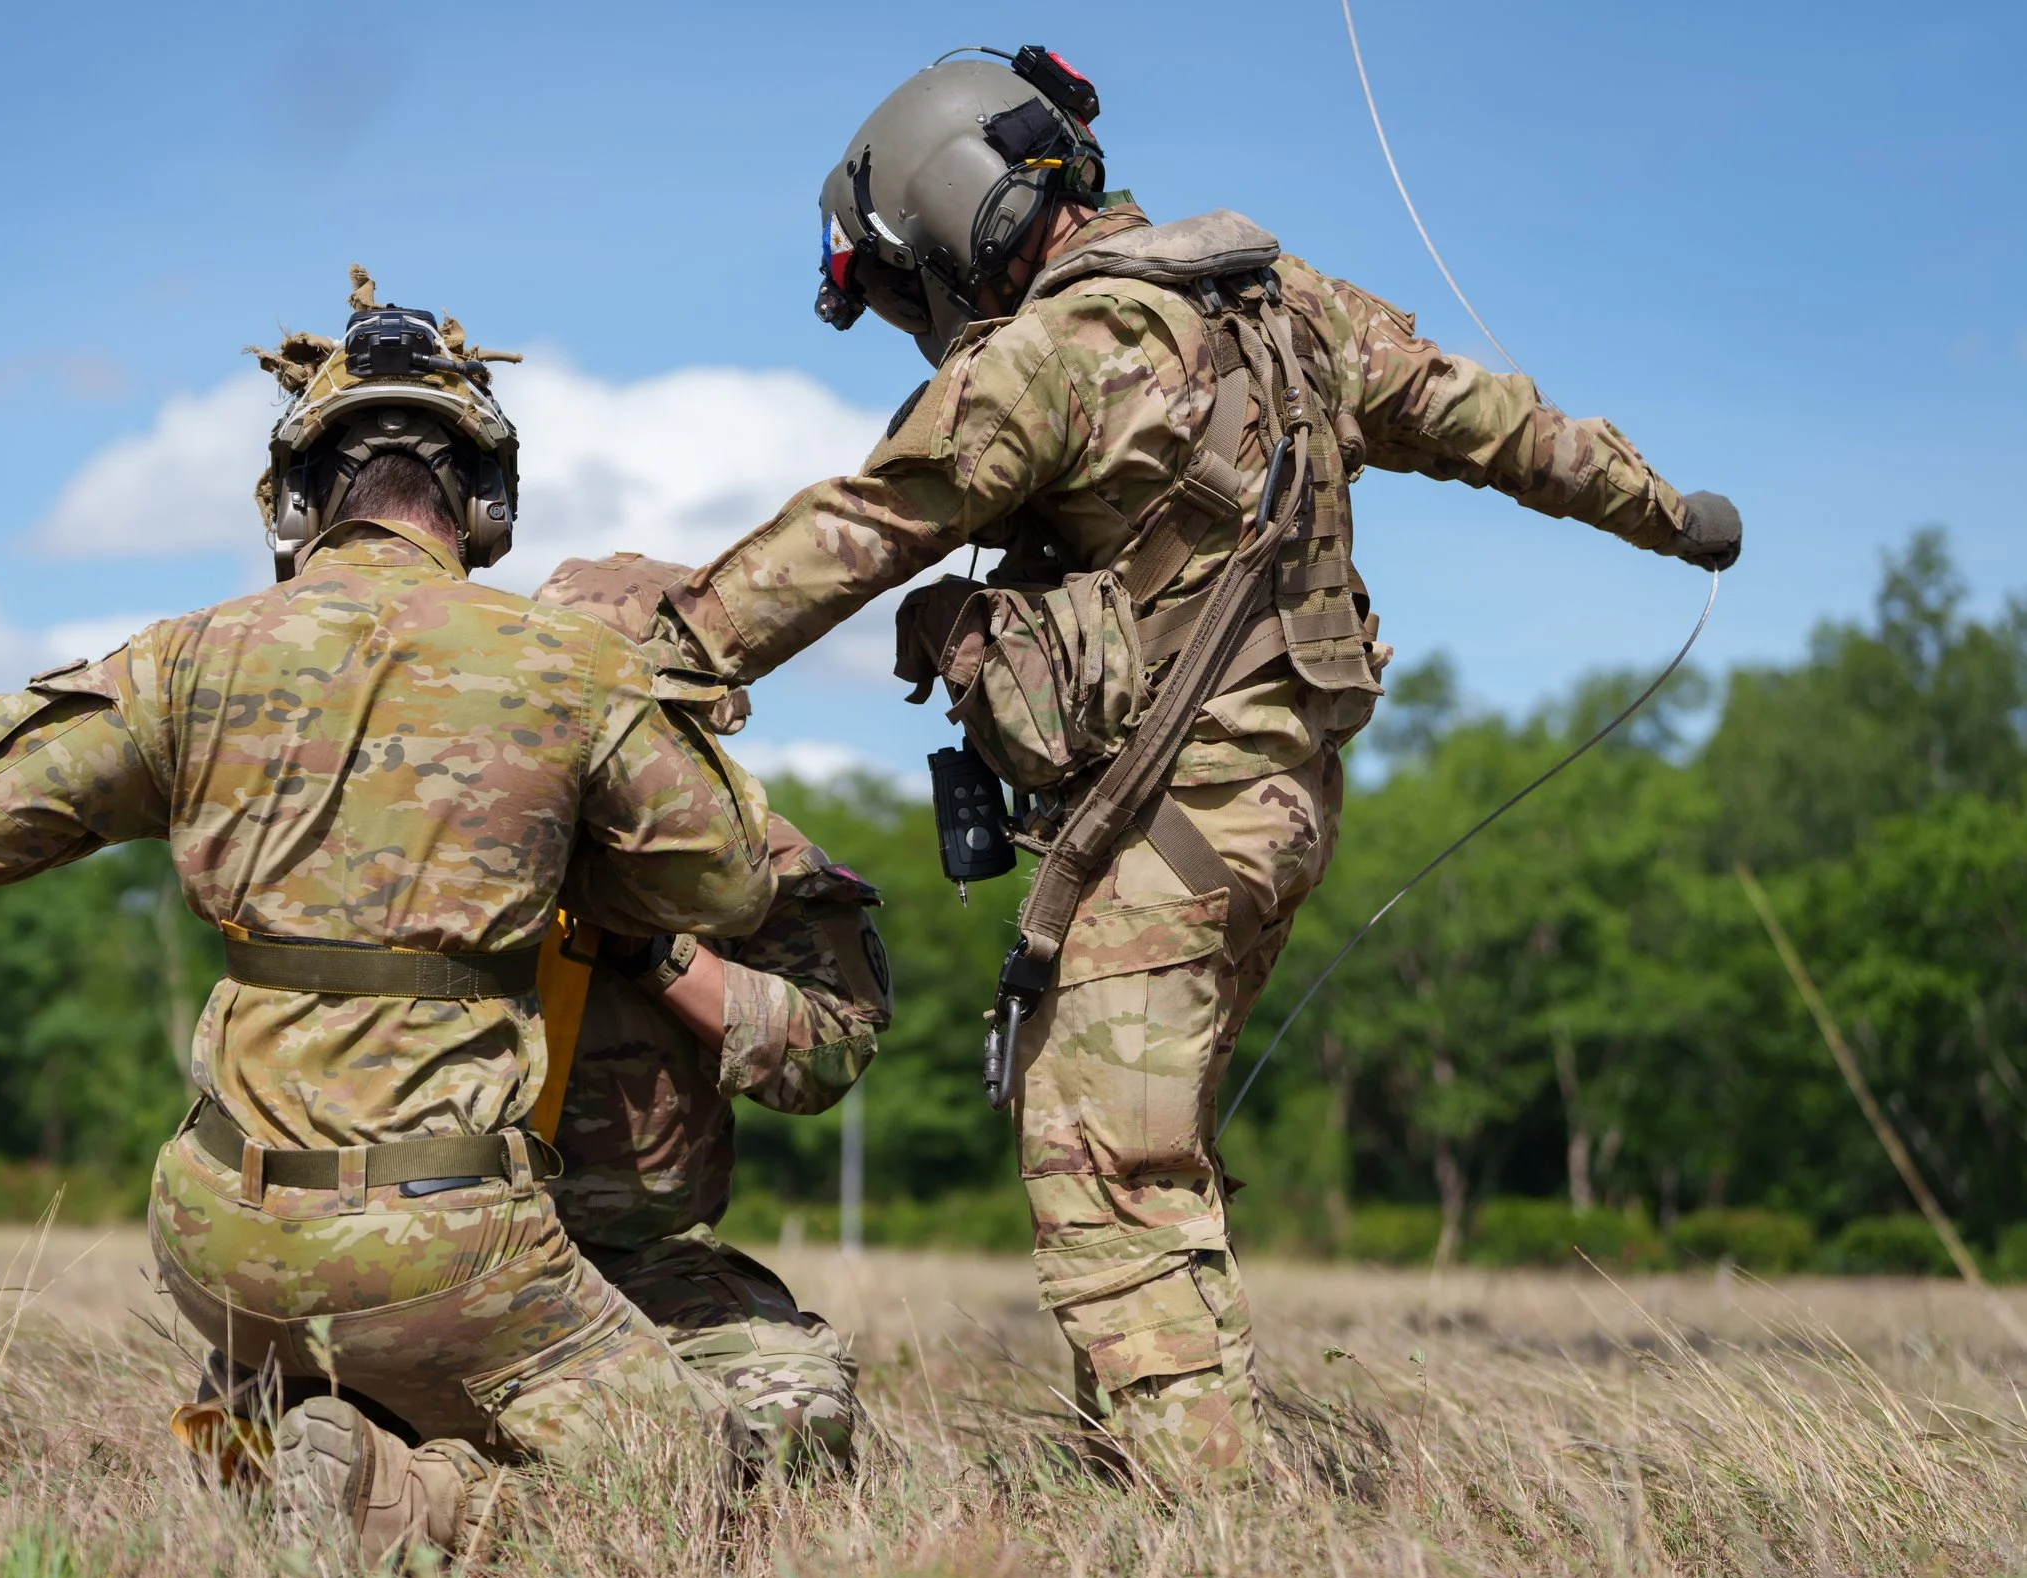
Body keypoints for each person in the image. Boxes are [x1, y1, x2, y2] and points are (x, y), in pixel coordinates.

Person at [647, 49, 1743, 1483]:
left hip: (1176, 814)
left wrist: (662, 659)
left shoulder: (1051, 356)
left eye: (916, 287)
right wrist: (1669, 514)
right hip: (1282, 806)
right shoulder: (1296, 314)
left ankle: (1220, 1526)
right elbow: (1508, 430)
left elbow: (857, 529)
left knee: (1104, 1170)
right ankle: (1159, 1472)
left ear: (956, 213)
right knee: (1144, 1149)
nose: (934, 321)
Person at [0, 270, 774, 1561]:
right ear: (485, 503)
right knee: (684, 1476)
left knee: (380, 1346)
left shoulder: (193, 653)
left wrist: (170, 714)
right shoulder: (570, 665)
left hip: (215, 1242)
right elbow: (728, 884)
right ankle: (411, 1498)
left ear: (296, 496)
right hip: (439, 1242)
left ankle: (306, 1436)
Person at [532, 552, 889, 1469]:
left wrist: (657, 950)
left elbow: (829, 1051)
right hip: (446, 1245)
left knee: (794, 1417)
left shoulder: (748, 858)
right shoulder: (453, 830)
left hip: (638, 1263)